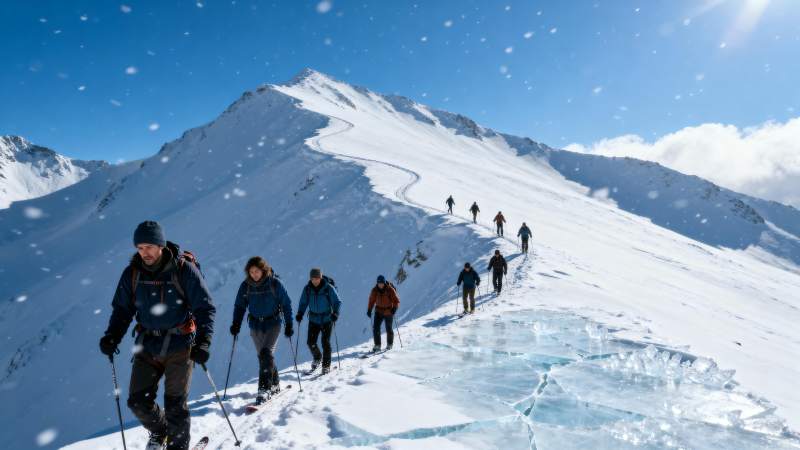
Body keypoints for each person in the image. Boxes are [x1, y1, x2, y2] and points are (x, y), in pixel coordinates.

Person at [99, 221, 215, 450]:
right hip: (147, 343)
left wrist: (204, 341)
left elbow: (205, 307)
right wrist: (112, 336)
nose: (145, 253)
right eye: (140, 248)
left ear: (161, 245)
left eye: (149, 246)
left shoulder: (183, 270)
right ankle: (160, 432)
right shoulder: (132, 273)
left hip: (180, 344)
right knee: (137, 402)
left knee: (175, 405)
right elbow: (123, 310)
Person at [230, 257, 293, 405]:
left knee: (266, 354)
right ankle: (275, 383)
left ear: (263, 270)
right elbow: (240, 306)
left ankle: (264, 390)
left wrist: (289, 324)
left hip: (273, 324)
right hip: (255, 325)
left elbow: (286, 303)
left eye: (257, 271)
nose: (254, 274)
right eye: (251, 272)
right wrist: (236, 323)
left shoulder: (274, 283)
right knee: (264, 357)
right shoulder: (246, 286)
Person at [296, 268, 341, 375]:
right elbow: (303, 302)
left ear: (320, 278)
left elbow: (337, 301)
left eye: (317, 278)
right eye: (313, 278)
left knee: (325, 342)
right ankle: (317, 357)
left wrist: (335, 313)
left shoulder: (328, 288)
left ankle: (326, 366)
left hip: (327, 319)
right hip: (313, 319)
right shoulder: (307, 289)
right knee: (310, 342)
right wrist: (300, 313)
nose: (315, 280)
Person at [367, 275, 400, 351]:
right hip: (378, 311)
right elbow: (371, 300)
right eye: (379, 283)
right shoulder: (374, 290)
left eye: (381, 283)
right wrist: (369, 309)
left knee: (388, 328)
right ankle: (377, 345)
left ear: (384, 283)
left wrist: (394, 308)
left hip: (388, 311)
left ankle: (389, 344)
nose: (380, 285)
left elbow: (396, 300)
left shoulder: (390, 290)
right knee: (376, 328)